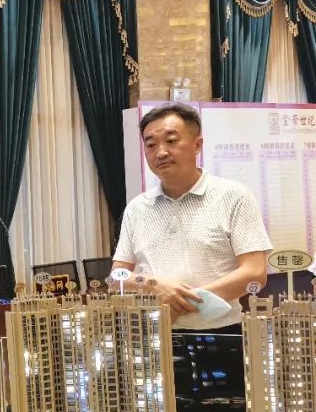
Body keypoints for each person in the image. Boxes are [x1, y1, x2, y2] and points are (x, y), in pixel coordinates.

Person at [111, 102, 271, 333]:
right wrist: (154, 285)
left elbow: (255, 273)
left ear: (197, 145)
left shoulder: (234, 196)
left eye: (171, 141)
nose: (161, 152)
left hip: (219, 333)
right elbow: (117, 276)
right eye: (151, 144)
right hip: (152, 334)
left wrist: (181, 302)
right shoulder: (137, 208)